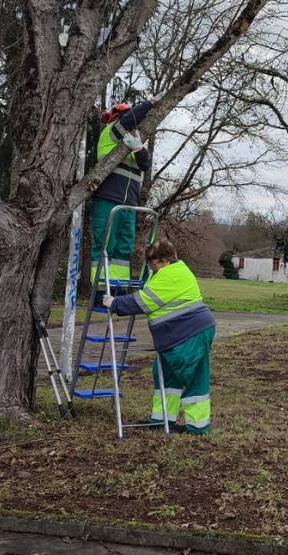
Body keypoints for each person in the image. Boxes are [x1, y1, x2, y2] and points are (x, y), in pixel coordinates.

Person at [103, 239, 215, 434]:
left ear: (168, 259)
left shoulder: (170, 276)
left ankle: (197, 426)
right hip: (177, 335)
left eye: (156, 261)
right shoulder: (167, 271)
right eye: (150, 261)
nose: (152, 265)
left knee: (193, 376)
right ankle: (161, 419)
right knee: (164, 374)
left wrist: (115, 303)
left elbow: (144, 302)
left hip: (189, 333)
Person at [91, 100, 154, 284]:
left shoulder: (132, 140)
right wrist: (149, 103)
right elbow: (128, 120)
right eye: (125, 116)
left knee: (124, 248)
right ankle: (100, 289)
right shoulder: (111, 133)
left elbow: (146, 164)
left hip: (130, 203)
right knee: (105, 244)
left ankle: (117, 288)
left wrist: (139, 148)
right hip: (107, 198)